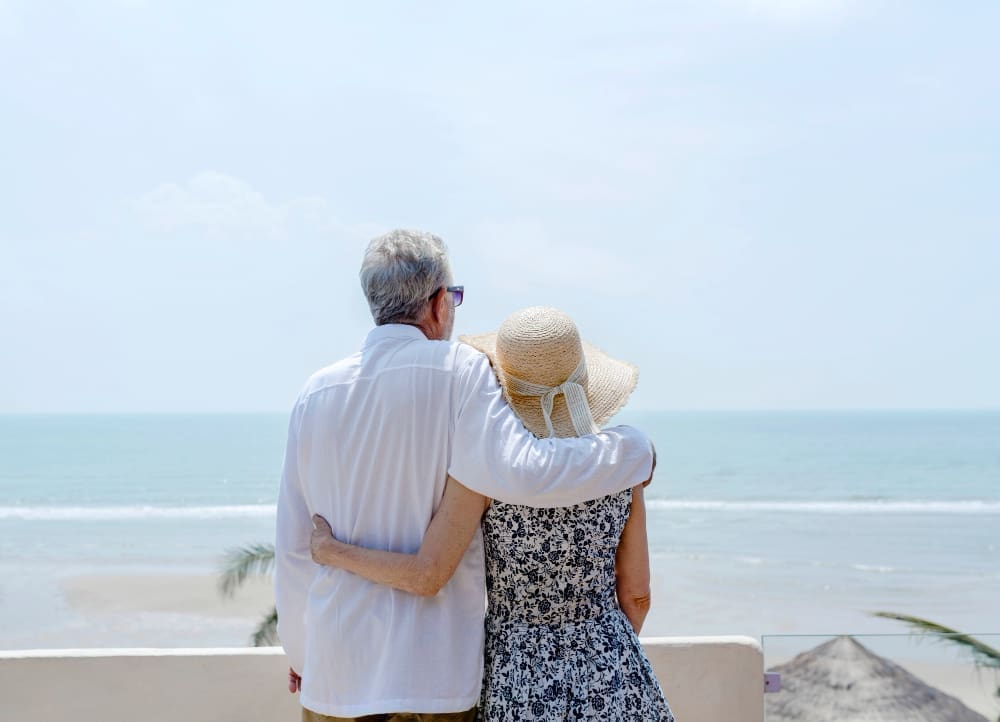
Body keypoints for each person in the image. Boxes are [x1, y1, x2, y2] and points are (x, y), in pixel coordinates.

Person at [274, 230, 656, 721]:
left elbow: (292, 546)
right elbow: (524, 472)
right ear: (437, 304)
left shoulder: (315, 392)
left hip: (339, 674)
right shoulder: (460, 370)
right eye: (454, 298)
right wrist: (633, 451)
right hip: (436, 677)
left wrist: (304, 657)